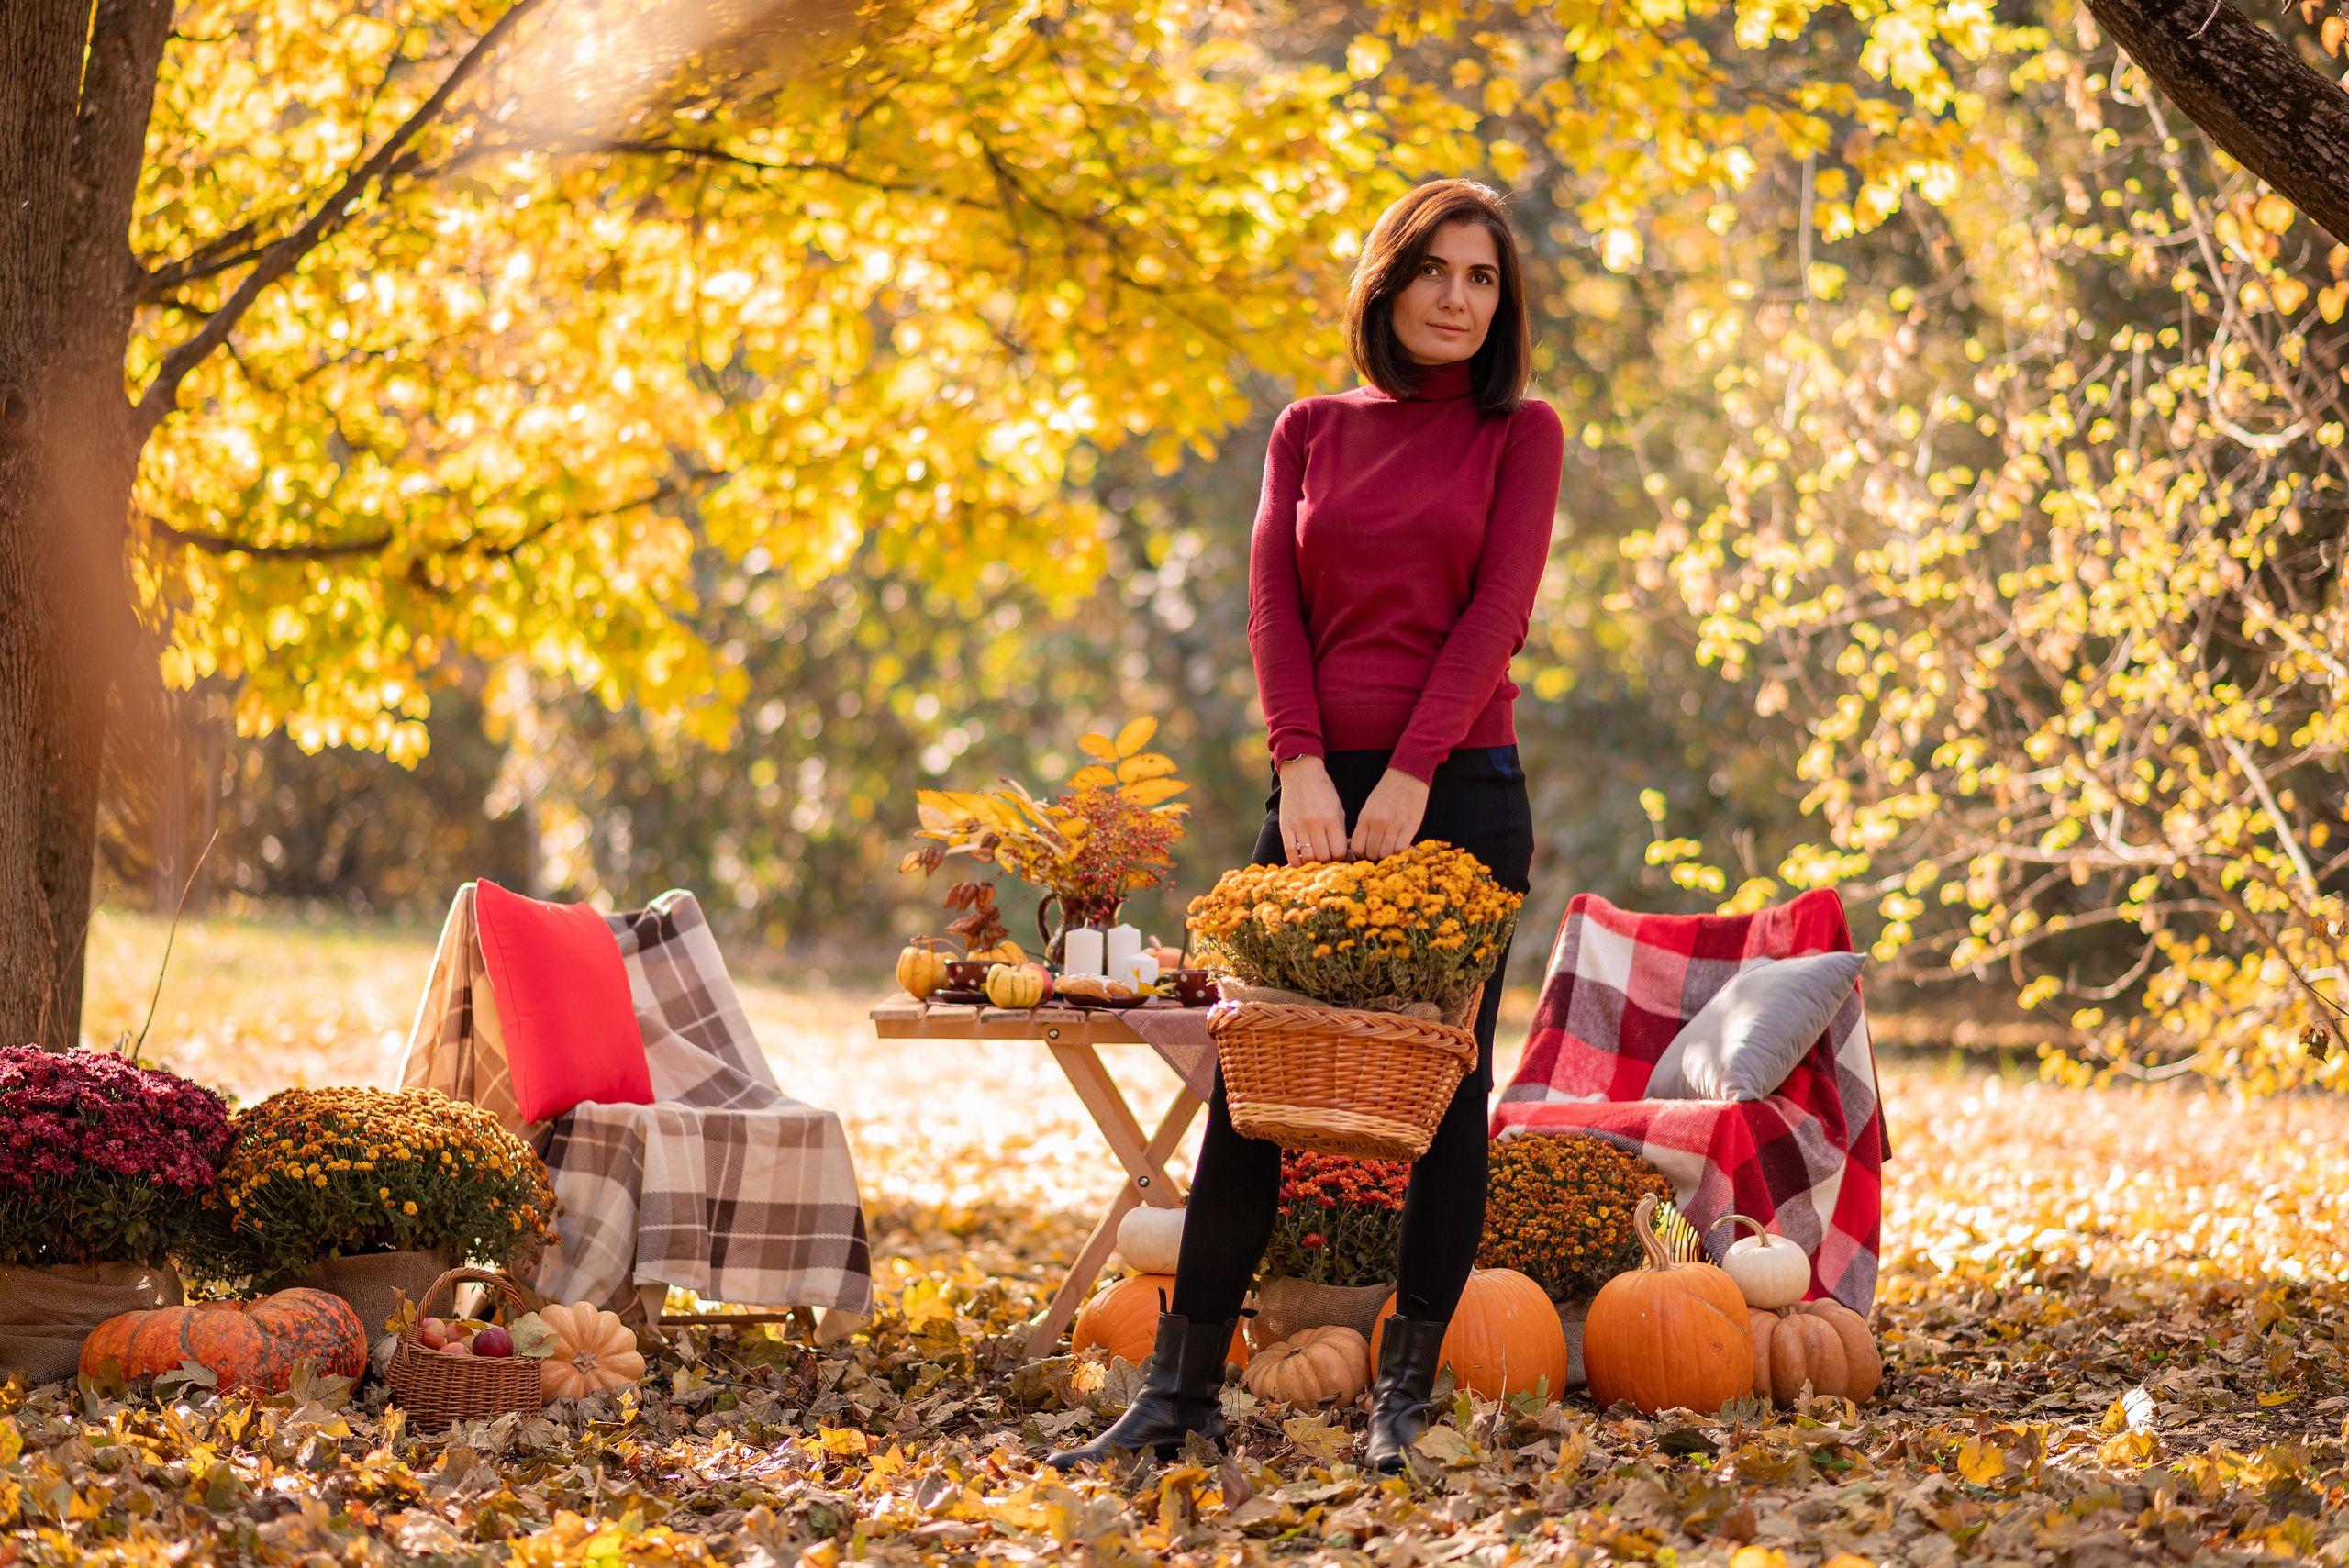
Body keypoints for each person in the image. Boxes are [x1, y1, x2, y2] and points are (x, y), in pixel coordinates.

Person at [1051, 178, 1564, 1473]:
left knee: (1446, 1090)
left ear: (1502, 304)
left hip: (1460, 790)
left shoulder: (1521, 434)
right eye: (1434, 270)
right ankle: (1178, 1394)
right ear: (1388, 283)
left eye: (1482, 279)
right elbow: (1272, 607)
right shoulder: (1310, 430)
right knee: (1253, 1086)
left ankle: (1403, 1397)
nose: (1457, 298)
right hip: (1315, 794)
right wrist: (1300, 764)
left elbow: (1497, 612)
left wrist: (1412, 771)